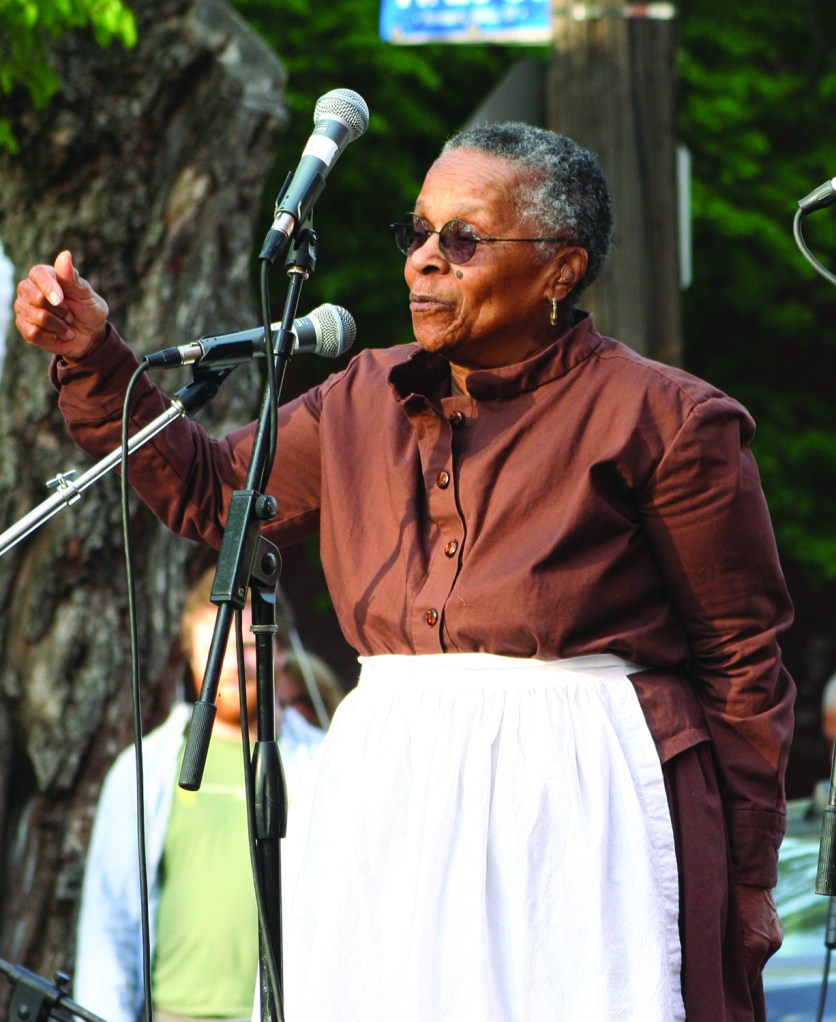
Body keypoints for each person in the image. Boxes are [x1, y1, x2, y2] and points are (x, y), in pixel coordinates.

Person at [16, 121, 794, 1022]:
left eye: (462, 240)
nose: (424, 260)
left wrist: (746, 876)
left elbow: (743, 663)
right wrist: (93, 356)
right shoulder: (358, 400)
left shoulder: (666, 418)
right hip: (391, 789)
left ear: (561, 269)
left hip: (585, 804)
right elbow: (206, 489)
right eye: (416, 233)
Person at [73, 567, 325, 1022]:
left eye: (248, 646)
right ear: (191, 660)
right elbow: (108, 925)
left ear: (280, 652)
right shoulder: (145, 769)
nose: (232, 664)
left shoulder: (324, 764)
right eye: (215, 650)